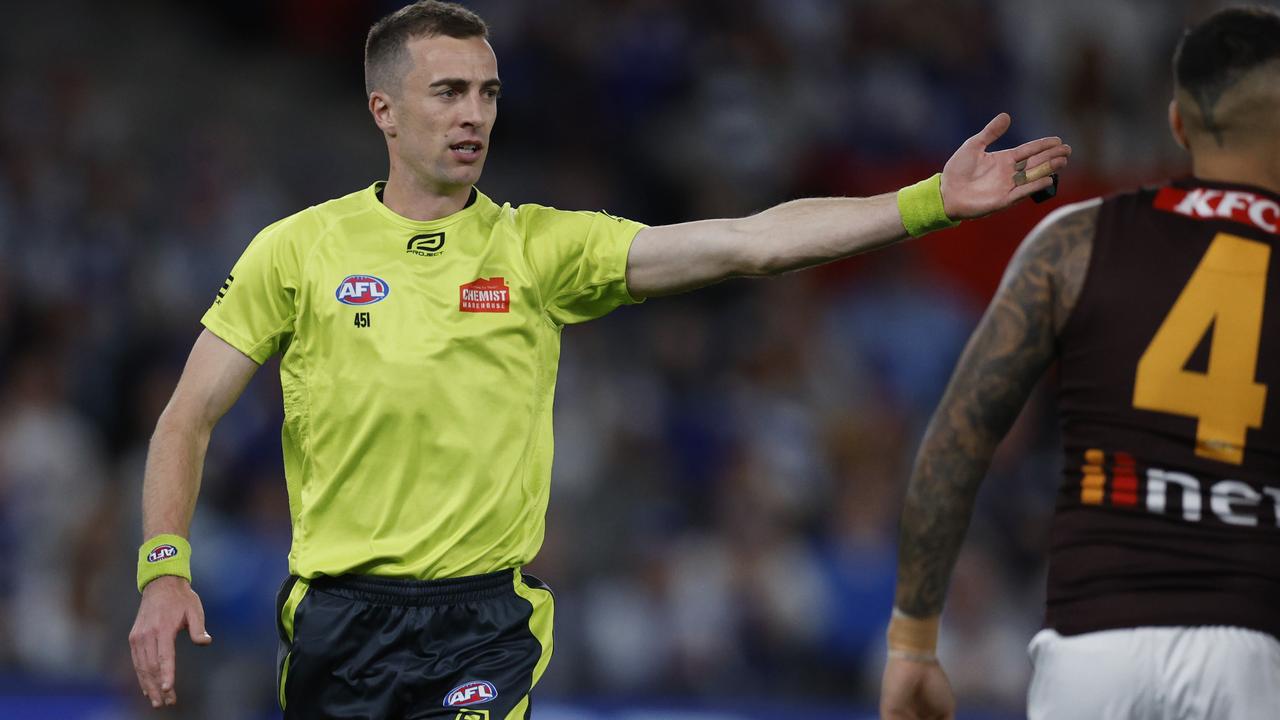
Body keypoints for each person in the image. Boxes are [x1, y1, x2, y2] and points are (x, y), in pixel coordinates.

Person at [126, 1, 1068, 717]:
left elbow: (747, 241)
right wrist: (164, 568)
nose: (475, 115)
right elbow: (186, 417)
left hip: (479, 629)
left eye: (488, 92)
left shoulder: (540, 247)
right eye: (448, 91)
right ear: (383, 108)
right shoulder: (297, 250)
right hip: (335, 623)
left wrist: (923, 203)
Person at [880, 6, 1280, 720]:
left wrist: (913, 642)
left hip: (1092, 642)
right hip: (1255, 647)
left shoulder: (1073, 240)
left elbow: (955, 441)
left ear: (1178, 124)